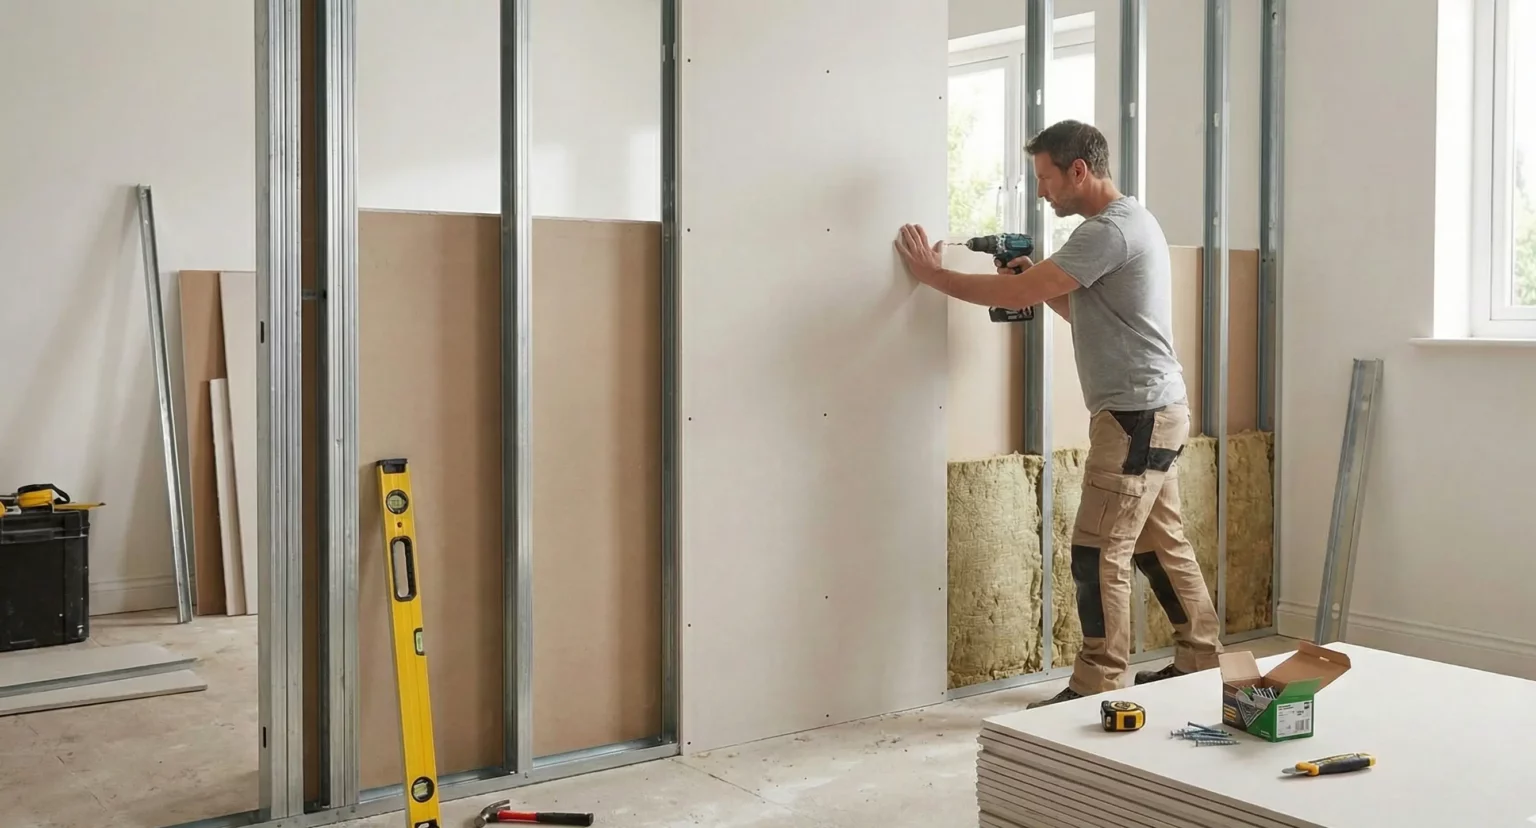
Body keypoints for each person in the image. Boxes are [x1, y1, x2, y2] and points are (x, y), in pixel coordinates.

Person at [894, 119, 1222, 707]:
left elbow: (1018, 297)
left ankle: (1100, 681)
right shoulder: (1130, 222)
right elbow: (1088, 313)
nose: (1042, 192)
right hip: (1152, 408)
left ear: (1079, 170)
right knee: (1157, 543)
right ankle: (1201, 660)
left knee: (1099, 551)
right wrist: (1037, 283)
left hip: (1134, 416)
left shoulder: (1107, 231)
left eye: (1046, 178)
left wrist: (932, 275)